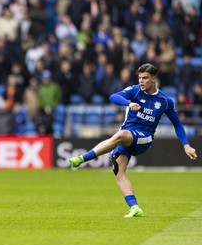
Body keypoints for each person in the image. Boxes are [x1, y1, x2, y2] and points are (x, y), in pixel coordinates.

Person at [68, 63, 197, 218]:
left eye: (145, 78)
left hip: (144, 138)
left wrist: (186, 145)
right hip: (128, 135)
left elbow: (177, 123)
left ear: (154, 78)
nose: (141, 81)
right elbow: (113, 97)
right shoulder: (135, 91)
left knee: (121, 135)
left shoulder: (165, 101)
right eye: (140, 78)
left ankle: (82, 158)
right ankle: (135, 208)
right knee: (118, 171)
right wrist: (129, 103)